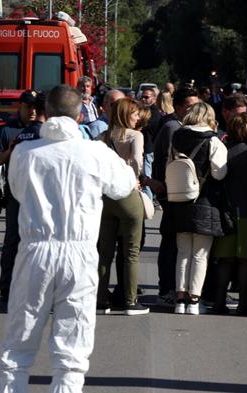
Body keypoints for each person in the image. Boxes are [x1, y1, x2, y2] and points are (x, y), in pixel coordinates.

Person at [0, 85, 137, 393]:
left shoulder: (23, 153)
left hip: (36, 249)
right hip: (80, 251)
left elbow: (18, 192)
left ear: (45, 113)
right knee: (73, 343)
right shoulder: (96, 152)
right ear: (79, 115)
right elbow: (124, 186)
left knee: (19, 341)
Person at [165, 102, 228, 315]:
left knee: (183, 251)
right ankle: (194, 300)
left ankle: (179, 300)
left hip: (179, 199)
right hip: (205, 201)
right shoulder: (213, 141)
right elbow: (219, 173)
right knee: (200, 254)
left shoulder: (177, 137)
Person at [211, 113, 247, 316]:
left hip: (225, 211)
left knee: (225, 260)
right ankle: (244, 303)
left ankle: (219, 302)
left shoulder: (223, 152)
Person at [146, 88, 200, 307]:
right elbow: (169, 162)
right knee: (170, 241)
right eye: (188, 106)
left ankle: (173, 287)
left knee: (177, 242)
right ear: (177, 107)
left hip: (177, 192)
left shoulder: (183, 127)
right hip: (171, 193)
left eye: (195, 105)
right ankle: (166, 288)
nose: (192, 110)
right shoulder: (172, 127)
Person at [96, 98, 149, 316]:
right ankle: (130, 300)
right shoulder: (135, 135)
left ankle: (100, 299)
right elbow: (137, 159)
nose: (138, 117)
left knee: (103, 251)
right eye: (135, 113)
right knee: (131, 252)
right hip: (127, 193)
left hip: (106, 196)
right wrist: (135, 177)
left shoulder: (102, 137)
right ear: (126, 115)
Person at [0, 90, 40, 302]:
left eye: (36, 107)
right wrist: (10, 151)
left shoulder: (44, 130)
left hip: (39, 197)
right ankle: (7, 288)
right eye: (28, 107)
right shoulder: (8, 130)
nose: (32, 112)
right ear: (20, 107)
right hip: (16, 197)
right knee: (13, 241)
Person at [138, 87, 162, 200]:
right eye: (142, 97)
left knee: (147, 176)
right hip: (146, 148)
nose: (143, 99)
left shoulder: (154, 113)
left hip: (149, 149)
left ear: (154, 98)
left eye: (146, 97)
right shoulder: (146, 111)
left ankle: (148, 199)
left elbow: (147, 127)